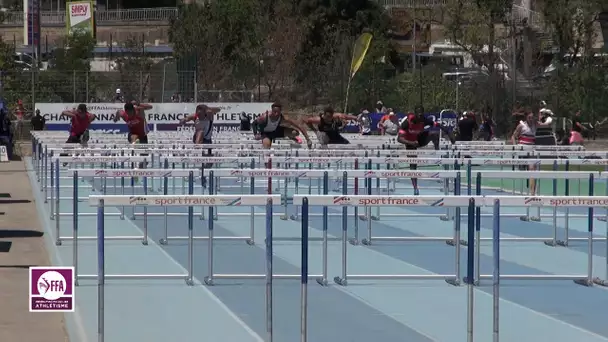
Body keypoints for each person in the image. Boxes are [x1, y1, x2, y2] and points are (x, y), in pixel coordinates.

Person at [397, 106, 454, 195]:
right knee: (413, 164)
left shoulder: (424, 119)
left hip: (419, 139)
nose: (420, 118)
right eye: (418, 116)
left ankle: (438, 156)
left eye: (421, 115)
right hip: (409, 142)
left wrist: (448, 132)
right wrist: (411, 143)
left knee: (434, 134)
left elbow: (438, 125)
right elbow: (399, 139)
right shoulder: (407, 122)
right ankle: (415, 187)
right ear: (415, 114)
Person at [512, 111, 537, 195]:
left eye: (532, 117)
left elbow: (546, 124)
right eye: (529, 117)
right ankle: (522, 189)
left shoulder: (535, 125)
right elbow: (513, 136)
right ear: (526, 118)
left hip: (531, 150)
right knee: (523, 170)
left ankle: (532, 192)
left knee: (532, 168)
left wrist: (548, 118)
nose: (531, 119)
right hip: (522, 150)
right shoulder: (521, 125)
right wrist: (515, 147)